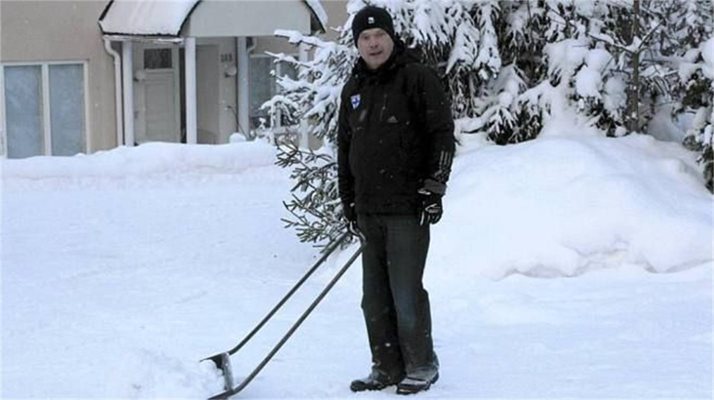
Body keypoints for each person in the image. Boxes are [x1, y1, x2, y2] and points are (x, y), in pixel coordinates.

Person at [337, 5, 456, 395]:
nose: (373, 44)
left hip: (408, 207)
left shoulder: (417, 79)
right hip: (369, 209)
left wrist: (434, 187)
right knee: (374, 299)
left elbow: (441, 134)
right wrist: (348, 201)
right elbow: (345, 148)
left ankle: (422, 365)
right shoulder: (354, 89)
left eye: (379, 36)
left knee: (405, 293)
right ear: (357, 44)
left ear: (392, 38)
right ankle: (386, 367)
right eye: (365, 38)